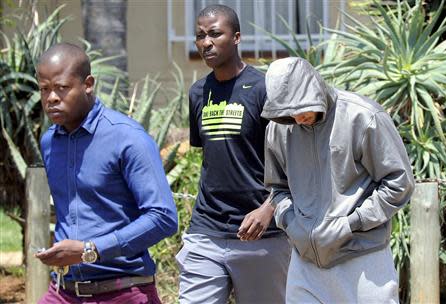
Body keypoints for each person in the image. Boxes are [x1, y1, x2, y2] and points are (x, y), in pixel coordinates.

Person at [262, 57, 415, 303]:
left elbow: (399, 182)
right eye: (287, 112)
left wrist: (351, 223)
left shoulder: (363, 116)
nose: (297, 118)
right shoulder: (279, 128)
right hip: (305, 264)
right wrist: (291, 222)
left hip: (363, 259)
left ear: (315, 89)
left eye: (301, 109)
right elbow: (277, 187)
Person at [35, 43, 178, 303]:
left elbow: (164, 217)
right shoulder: (50, 142)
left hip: (123, 292)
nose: (51, 97)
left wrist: (90, 250)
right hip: (63, 292)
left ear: (88, 84)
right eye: (44, 89)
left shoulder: (128, 138)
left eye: (61, 87)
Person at [176, 4, 290, 304]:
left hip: (261, 236)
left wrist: (269, 209)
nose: (206, 43)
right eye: (200, 36)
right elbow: (212, 160)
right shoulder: (198, 92)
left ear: (236, 37)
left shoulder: (263, 89)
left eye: (215, 34)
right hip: (206, 231)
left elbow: (291, 160)